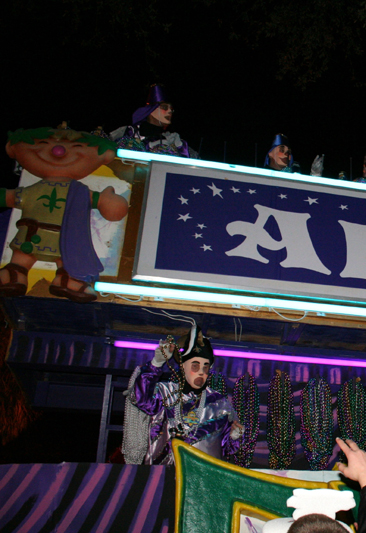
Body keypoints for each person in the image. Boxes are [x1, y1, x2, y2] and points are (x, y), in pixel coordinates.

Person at [1, 125, 129, 302]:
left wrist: (108, 202)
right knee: (22, 257)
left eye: (77, 148)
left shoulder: (80, 192)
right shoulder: (34, 190)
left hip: (66, 240)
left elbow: (111, 208)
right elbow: (10, 197)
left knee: (68, 259)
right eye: (43, 143)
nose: (58, 151)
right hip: (30, 234)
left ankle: (66, 279)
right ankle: (15, 274)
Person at [122, 330, 242, 465]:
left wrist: (234, 437)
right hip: (164, 474)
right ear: (183, 366)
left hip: (205, 477)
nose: (201, 372)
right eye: (195, 366)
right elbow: (139, 398)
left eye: (205, 367)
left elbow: (228, 449)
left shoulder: (220, 403)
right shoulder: (166, 392)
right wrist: (156, 364)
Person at [110, 84, 198, 158]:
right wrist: (149, 146)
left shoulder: (172, 139)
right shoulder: (128, 132)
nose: (170, 111)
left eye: (171, 108)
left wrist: (181, 148)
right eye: (164, 107)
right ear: (151, 110)